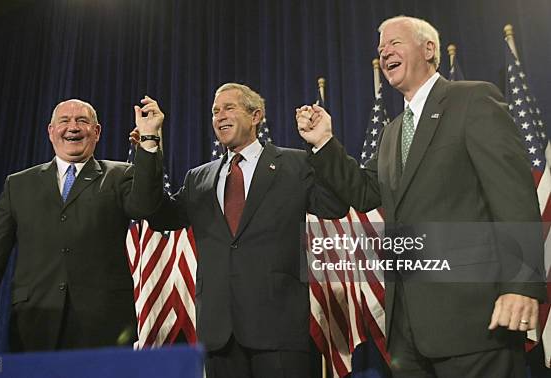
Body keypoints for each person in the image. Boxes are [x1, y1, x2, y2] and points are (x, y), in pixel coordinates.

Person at [296, 16, 546, 377]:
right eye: (381, 48)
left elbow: (514, 194)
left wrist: (521, 284)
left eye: (394, 43)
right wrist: (323, 142)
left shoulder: (472, 99)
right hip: (407, 331)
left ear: (429, 49)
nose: (384, 52)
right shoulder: (392, 132)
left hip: (473, 321)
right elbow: (364, 193)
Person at [130, 83, 346, 378]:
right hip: (220, 335)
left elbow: (335, 206)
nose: (220, 116)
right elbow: (153, 213)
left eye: (229, 108)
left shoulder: (294, 164)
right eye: (215, 111)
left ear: (256, 115)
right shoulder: (199, 178)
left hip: (279, 330)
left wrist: (321, 144)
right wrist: (150, 143)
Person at [0, 99, 154, 352]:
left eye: (82, 121)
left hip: (103, 325)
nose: (73, 127)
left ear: (97, 132)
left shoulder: (120, 175)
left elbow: (147, 206)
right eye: (64, 121)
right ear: (50, 131)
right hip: (34, 323)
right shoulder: (18, 185)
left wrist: (149, 147)